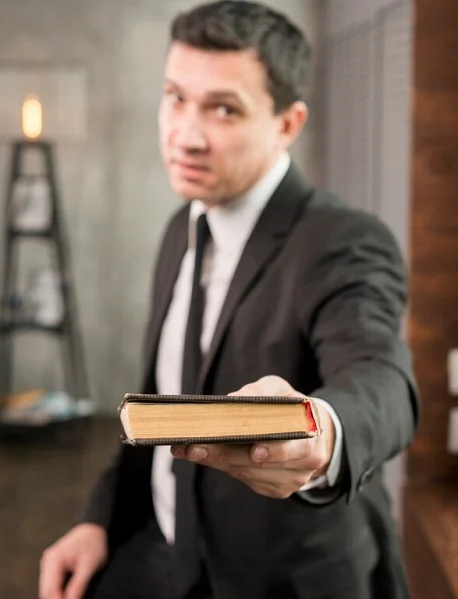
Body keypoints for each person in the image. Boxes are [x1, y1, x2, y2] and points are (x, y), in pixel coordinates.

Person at [38, 2, 420, 599]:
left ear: (287, 124)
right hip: (165, 555)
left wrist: (322, 433)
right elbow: (160, 402)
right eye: (174, 97)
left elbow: (382, 377)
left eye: (223, 109)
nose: (186, 134)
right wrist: (97, 521)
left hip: (284, 583)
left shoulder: (342, 240)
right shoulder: (181, 229)